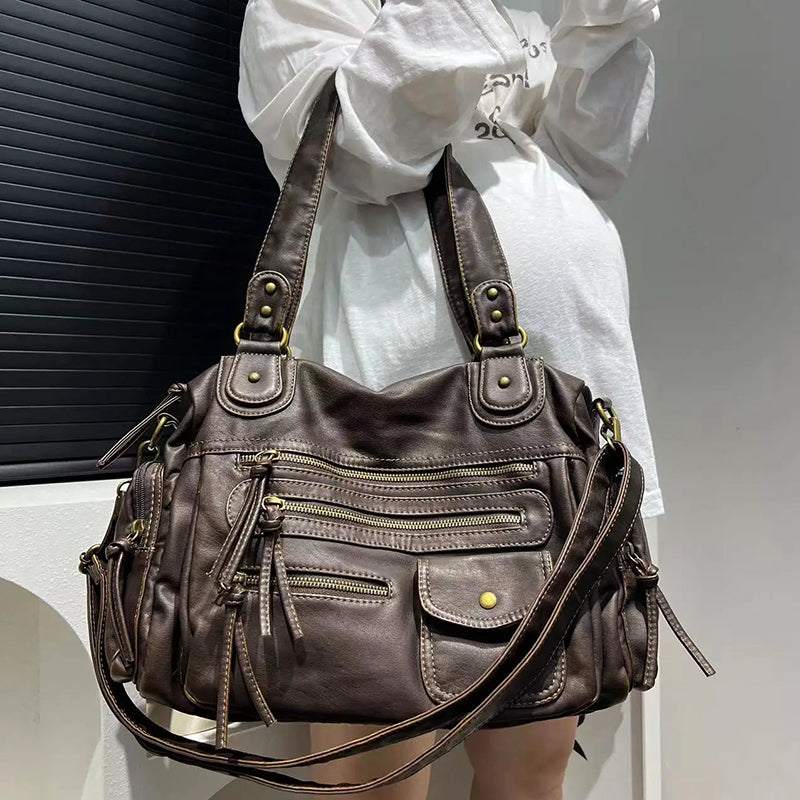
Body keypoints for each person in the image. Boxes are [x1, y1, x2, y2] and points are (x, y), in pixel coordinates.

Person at [238, 0, 663, 797]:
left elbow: (593, 160)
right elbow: (361, 153)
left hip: (564, 414)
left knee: (531, 772)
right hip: (388, 434)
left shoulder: (526, 11)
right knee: (376, 771)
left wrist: (601, 22)